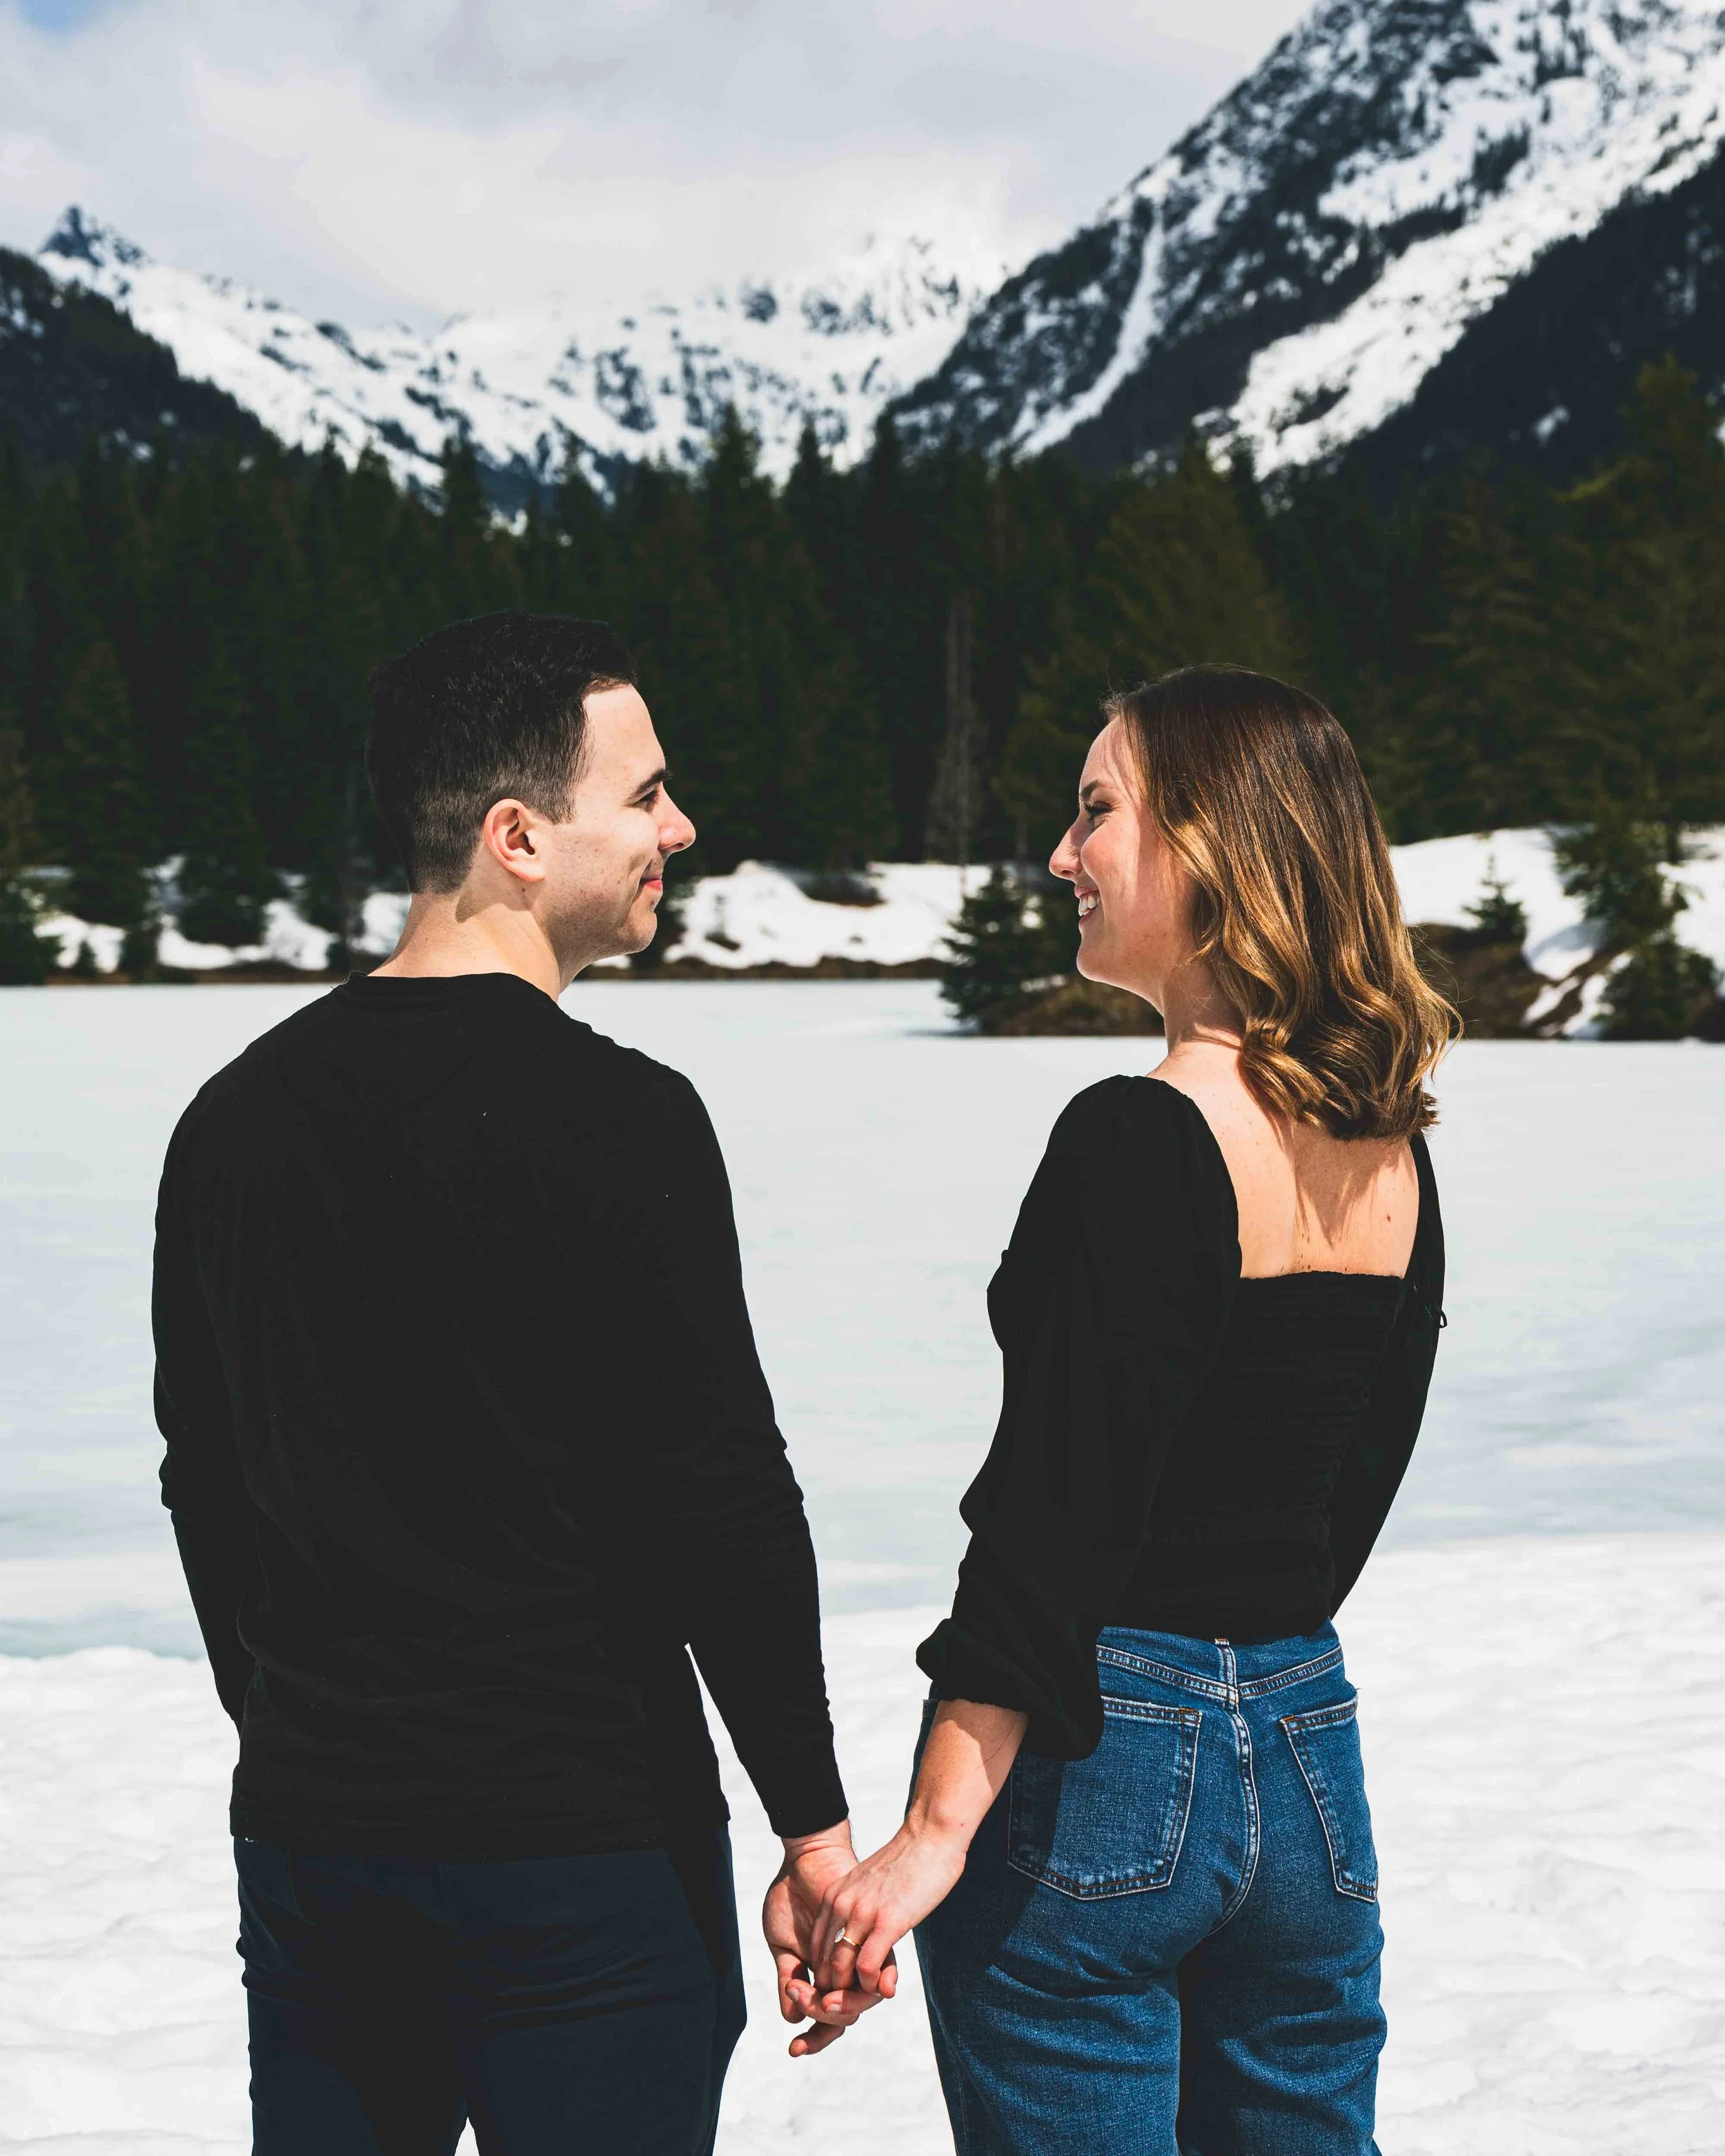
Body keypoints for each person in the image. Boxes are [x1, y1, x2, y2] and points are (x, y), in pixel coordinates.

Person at [151, 611, 880, 2156]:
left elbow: (203, 1477)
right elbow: (722, 1498)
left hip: (317, 1847)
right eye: (645, 795)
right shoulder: (623, 1120)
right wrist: (811, 1823)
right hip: (581, 1856)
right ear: (517, 835)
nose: (676, 828)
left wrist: (291, 1717)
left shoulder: (230, 1121)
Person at [810, 664, 1455, 2153]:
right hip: (1306, 1750)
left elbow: (1053, 1508)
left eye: (1096, 809)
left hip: (1103, 1755)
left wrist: (931, 1832)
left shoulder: (1137, 1134)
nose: (1060, 853)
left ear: (1214, 844)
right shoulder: (1391, 1158)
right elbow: (1346, 1486)